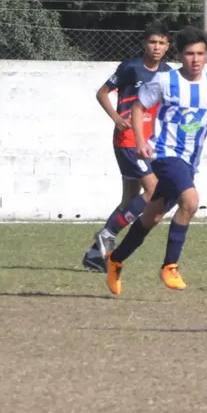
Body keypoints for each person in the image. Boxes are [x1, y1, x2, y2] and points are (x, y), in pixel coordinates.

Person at [105, 26, 207, 296]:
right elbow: (138, 106)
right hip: (164, 155)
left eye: (200, 53)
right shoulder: (166, 81)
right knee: (191, 201)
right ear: (180, 55)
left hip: (189, 161)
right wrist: (141, 142)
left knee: (153, 216)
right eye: (189, 54)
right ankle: (170, 266)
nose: (195, 59)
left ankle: (115, 260)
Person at [82, 23, 172, 272]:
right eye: (152, 42)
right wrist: (116, 117)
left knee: (129, 200)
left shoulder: (167, 73)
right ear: (144, 44)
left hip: (148, 143)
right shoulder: (130, 67)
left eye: (162, 43)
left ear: (167, 47)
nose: (156, 47)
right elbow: (102, 93)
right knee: (154, 190)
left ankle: (94, 254)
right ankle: (107, 233)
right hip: (128, 140)